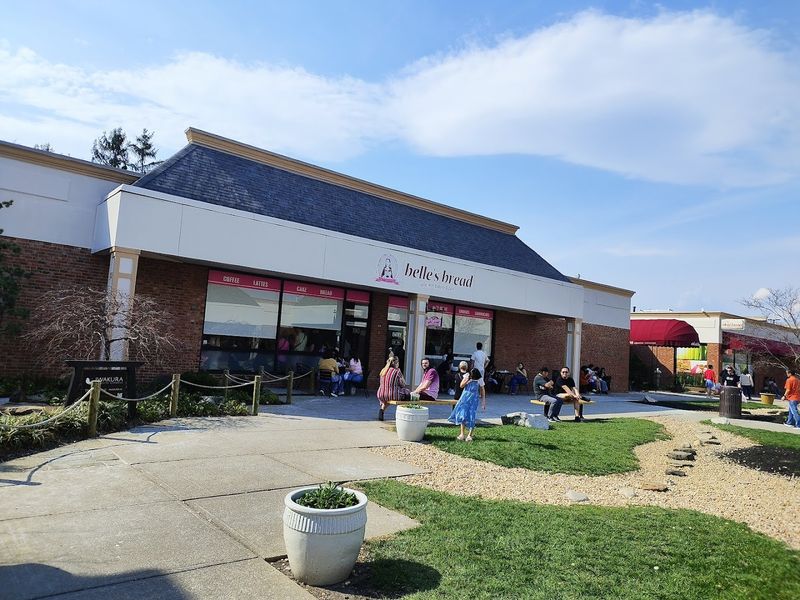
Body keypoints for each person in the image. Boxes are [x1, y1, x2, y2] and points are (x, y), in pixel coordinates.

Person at [447, 368, 486, 441]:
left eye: (473, 376)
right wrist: (467, 380)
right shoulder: (467, 376)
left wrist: (483, 401)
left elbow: (482, 390)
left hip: (473, 399)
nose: (472, 377)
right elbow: (461, 386)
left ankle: (469, 435)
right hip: (465, 397)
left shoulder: (479, 379)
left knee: (472, 415)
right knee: (463, 415)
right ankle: (462, 434)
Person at [376, 355, 409, 421]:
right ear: (396, 363)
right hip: (392, 394)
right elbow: (403, 384)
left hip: (381, 394)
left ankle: (381, 411)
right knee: (407, 394)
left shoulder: (383, 370)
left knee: (387, 399)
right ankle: (405, 414)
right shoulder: (397, 371)